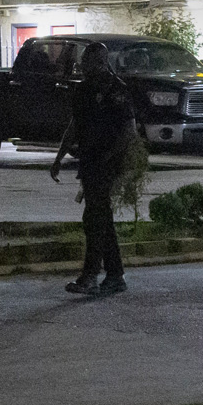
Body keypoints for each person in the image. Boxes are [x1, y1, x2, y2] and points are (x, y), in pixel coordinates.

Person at [49, 41, 135, 297]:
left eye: (87, 61)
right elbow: (74, 126)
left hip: (107, 163)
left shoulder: (117, 91)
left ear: (100, 62)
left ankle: (90, 276)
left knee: (95, 218)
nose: (82, 65)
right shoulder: (84, 90)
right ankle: (115, 275)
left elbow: (128, 132)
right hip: (89, 162)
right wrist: (59, 157)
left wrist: (110, 159)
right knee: (100, 218)